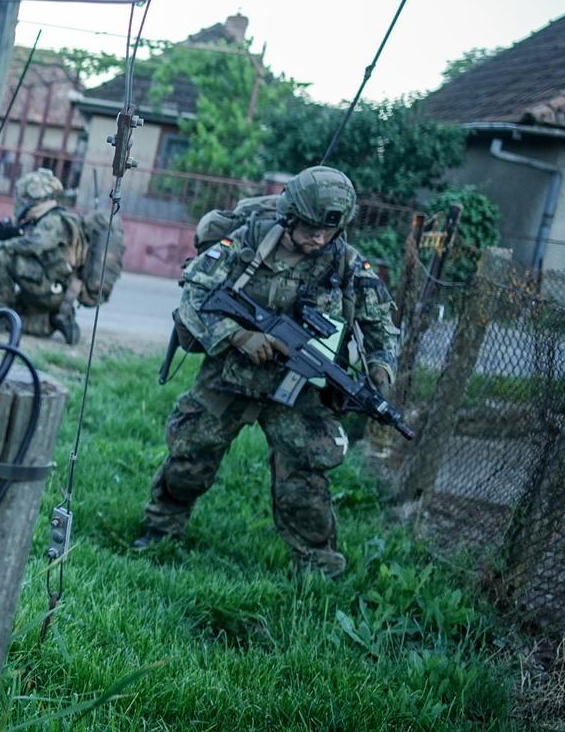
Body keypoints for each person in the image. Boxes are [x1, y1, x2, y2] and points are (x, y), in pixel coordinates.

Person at [132, 166, 398, 576]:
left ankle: (317, 565)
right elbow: (195, 293)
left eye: (329, 231)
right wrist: (237, 336)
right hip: (230, 375)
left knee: (305, 476)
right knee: (191, 455)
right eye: (311, 228)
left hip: (299, 388)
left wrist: (379, 370)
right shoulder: (245, 243)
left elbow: (381, 324)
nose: (319, 238)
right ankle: (160, 528)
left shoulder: (344, 263)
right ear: (291, 215)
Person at [0, 168, 86, 343]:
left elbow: (35, 245)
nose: (21, 203)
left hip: (51, 287)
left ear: (36, 201)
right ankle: (53, 319)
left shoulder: (53, 220)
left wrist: (2, 245)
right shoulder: (43, 220)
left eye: (24, 199)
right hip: (51, 286)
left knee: (3, 257)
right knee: (25, 323)